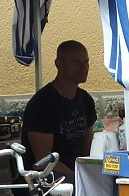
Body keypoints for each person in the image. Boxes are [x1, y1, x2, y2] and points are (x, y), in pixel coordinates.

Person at [21, 40, 96, 179]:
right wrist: (78, 178)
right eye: (77, 62)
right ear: (59, 64)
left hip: (77, 173)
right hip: (46, 179)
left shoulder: (86, 100)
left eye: (86, 61)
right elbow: (44, 161)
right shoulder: (41, 104)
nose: (84, 67)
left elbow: (87, 150)